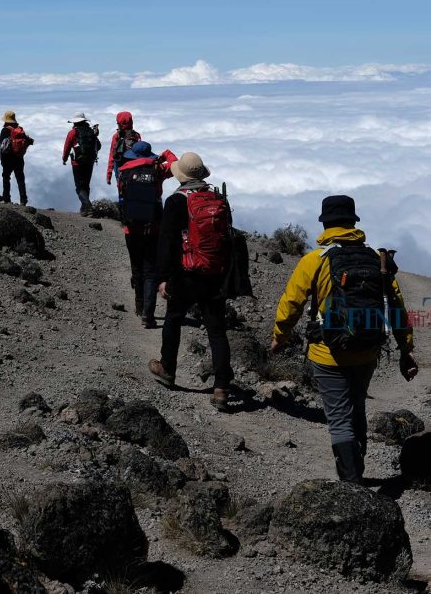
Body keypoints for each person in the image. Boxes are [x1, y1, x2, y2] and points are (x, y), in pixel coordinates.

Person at [270, 195, 418, 483]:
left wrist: (280, 337)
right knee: (357, 407)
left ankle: (352, 483)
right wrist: (405, 350)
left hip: (328, 353)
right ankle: (357, 472)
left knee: (339, 419)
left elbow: (291, 303)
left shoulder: (315, 260)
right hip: (367, 350)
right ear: (353, 223)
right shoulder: (378, 260)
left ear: (325, 224)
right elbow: (396, 307)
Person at [148, 152, 234, 412]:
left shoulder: (176, 201)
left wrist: (163, 277)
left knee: (174, 318)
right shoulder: (218, 199)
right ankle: (221, 387)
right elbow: (228, 239)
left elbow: (167, 242)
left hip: (185, 274)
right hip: (214, 274)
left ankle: (167, 368)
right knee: (217, 331)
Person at [118, 141, 177, 328]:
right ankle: (147, 316)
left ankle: (139, 306)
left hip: (131, 229)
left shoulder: (123, 172)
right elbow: (176, 166)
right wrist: (166, 153)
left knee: (136, 268)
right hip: (153, 229)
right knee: (150, 271)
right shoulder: (158, 170)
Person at [62, 112, 101, 216]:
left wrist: (64, 159)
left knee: (79, 187)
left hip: (77, 163)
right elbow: (99, 145)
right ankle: (84, 210)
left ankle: (88, 206)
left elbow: (67, 147)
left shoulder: (72, 133)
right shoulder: (91, 131)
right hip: (90, 161)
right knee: (86, 185)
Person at [0, 110, 34, 205]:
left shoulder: (5, 130)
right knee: (20, 179)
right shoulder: (20, 129)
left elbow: (2, 147)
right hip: (19, 158)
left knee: (6, 177)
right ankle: (23, 200)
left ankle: (6, 198)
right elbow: (29, 141)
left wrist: (2, 160)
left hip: (7, 159)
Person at [106, 111, 141, 186]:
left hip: (119, 166)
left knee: (121, 187)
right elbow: (141, 153)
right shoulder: (136, 136)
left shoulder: (116, 136)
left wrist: (109, 174)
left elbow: (112, 156)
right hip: (134, 166)